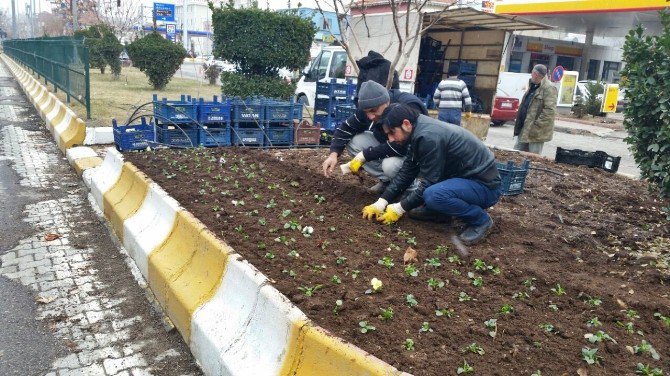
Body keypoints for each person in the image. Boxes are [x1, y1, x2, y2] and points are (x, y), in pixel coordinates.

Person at [362, 103, 502, 244]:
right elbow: (407, 171)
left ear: (406, 124)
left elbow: (429, 182)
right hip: (464, 179)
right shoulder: (416, 131)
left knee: (433, 195)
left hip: (485, 186)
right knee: (430, 194)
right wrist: (381, 202)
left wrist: (399, 208)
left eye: (392, 132)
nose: (390, 139)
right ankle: (440, 212)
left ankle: (481, 220)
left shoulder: (429, 137)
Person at [321, 80, 427, 194]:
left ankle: (412, 190)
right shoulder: (369, 107)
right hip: (389, 146)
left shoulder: (408, 106)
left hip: (415, 154)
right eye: (367, 112)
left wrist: (364, 155)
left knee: (390, 166)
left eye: (374, 111)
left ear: (387, 102)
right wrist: (333, 155)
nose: (370, 116)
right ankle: (388, 182)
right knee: (354, 142)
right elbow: (347, 128)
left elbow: (403, 147)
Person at [513, 64, 558, 154]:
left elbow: (549, 111)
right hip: (525, 127)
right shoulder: (533, 85)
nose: (531, 74)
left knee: (533, 157)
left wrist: (536, 125)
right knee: (516, 153)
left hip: (536, 132)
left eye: (532, 72)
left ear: (536, 74)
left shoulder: (549, 88)